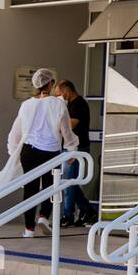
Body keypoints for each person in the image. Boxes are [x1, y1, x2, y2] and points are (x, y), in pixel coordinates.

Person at [6, 68, 78, 238]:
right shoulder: (58, 104)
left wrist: (13, 152)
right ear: (51, 84)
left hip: (28, 151)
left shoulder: (26, 105)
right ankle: (44, 217)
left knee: (29, 189)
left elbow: (15, 133)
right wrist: (72, 149)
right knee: (50, 186)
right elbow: (66, 130)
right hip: (50, 151)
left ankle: (29, 229)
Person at [54, 79, 95, 226]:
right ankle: (88, 210)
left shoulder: (79, 104)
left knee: (68, 183)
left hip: (78, 149)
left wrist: (56, 124)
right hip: (70, 148)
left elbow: (69, 126)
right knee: (71, 182)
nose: (60, 98)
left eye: (60, 94)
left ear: (67, 91)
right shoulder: (69, 104)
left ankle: (68, 216)